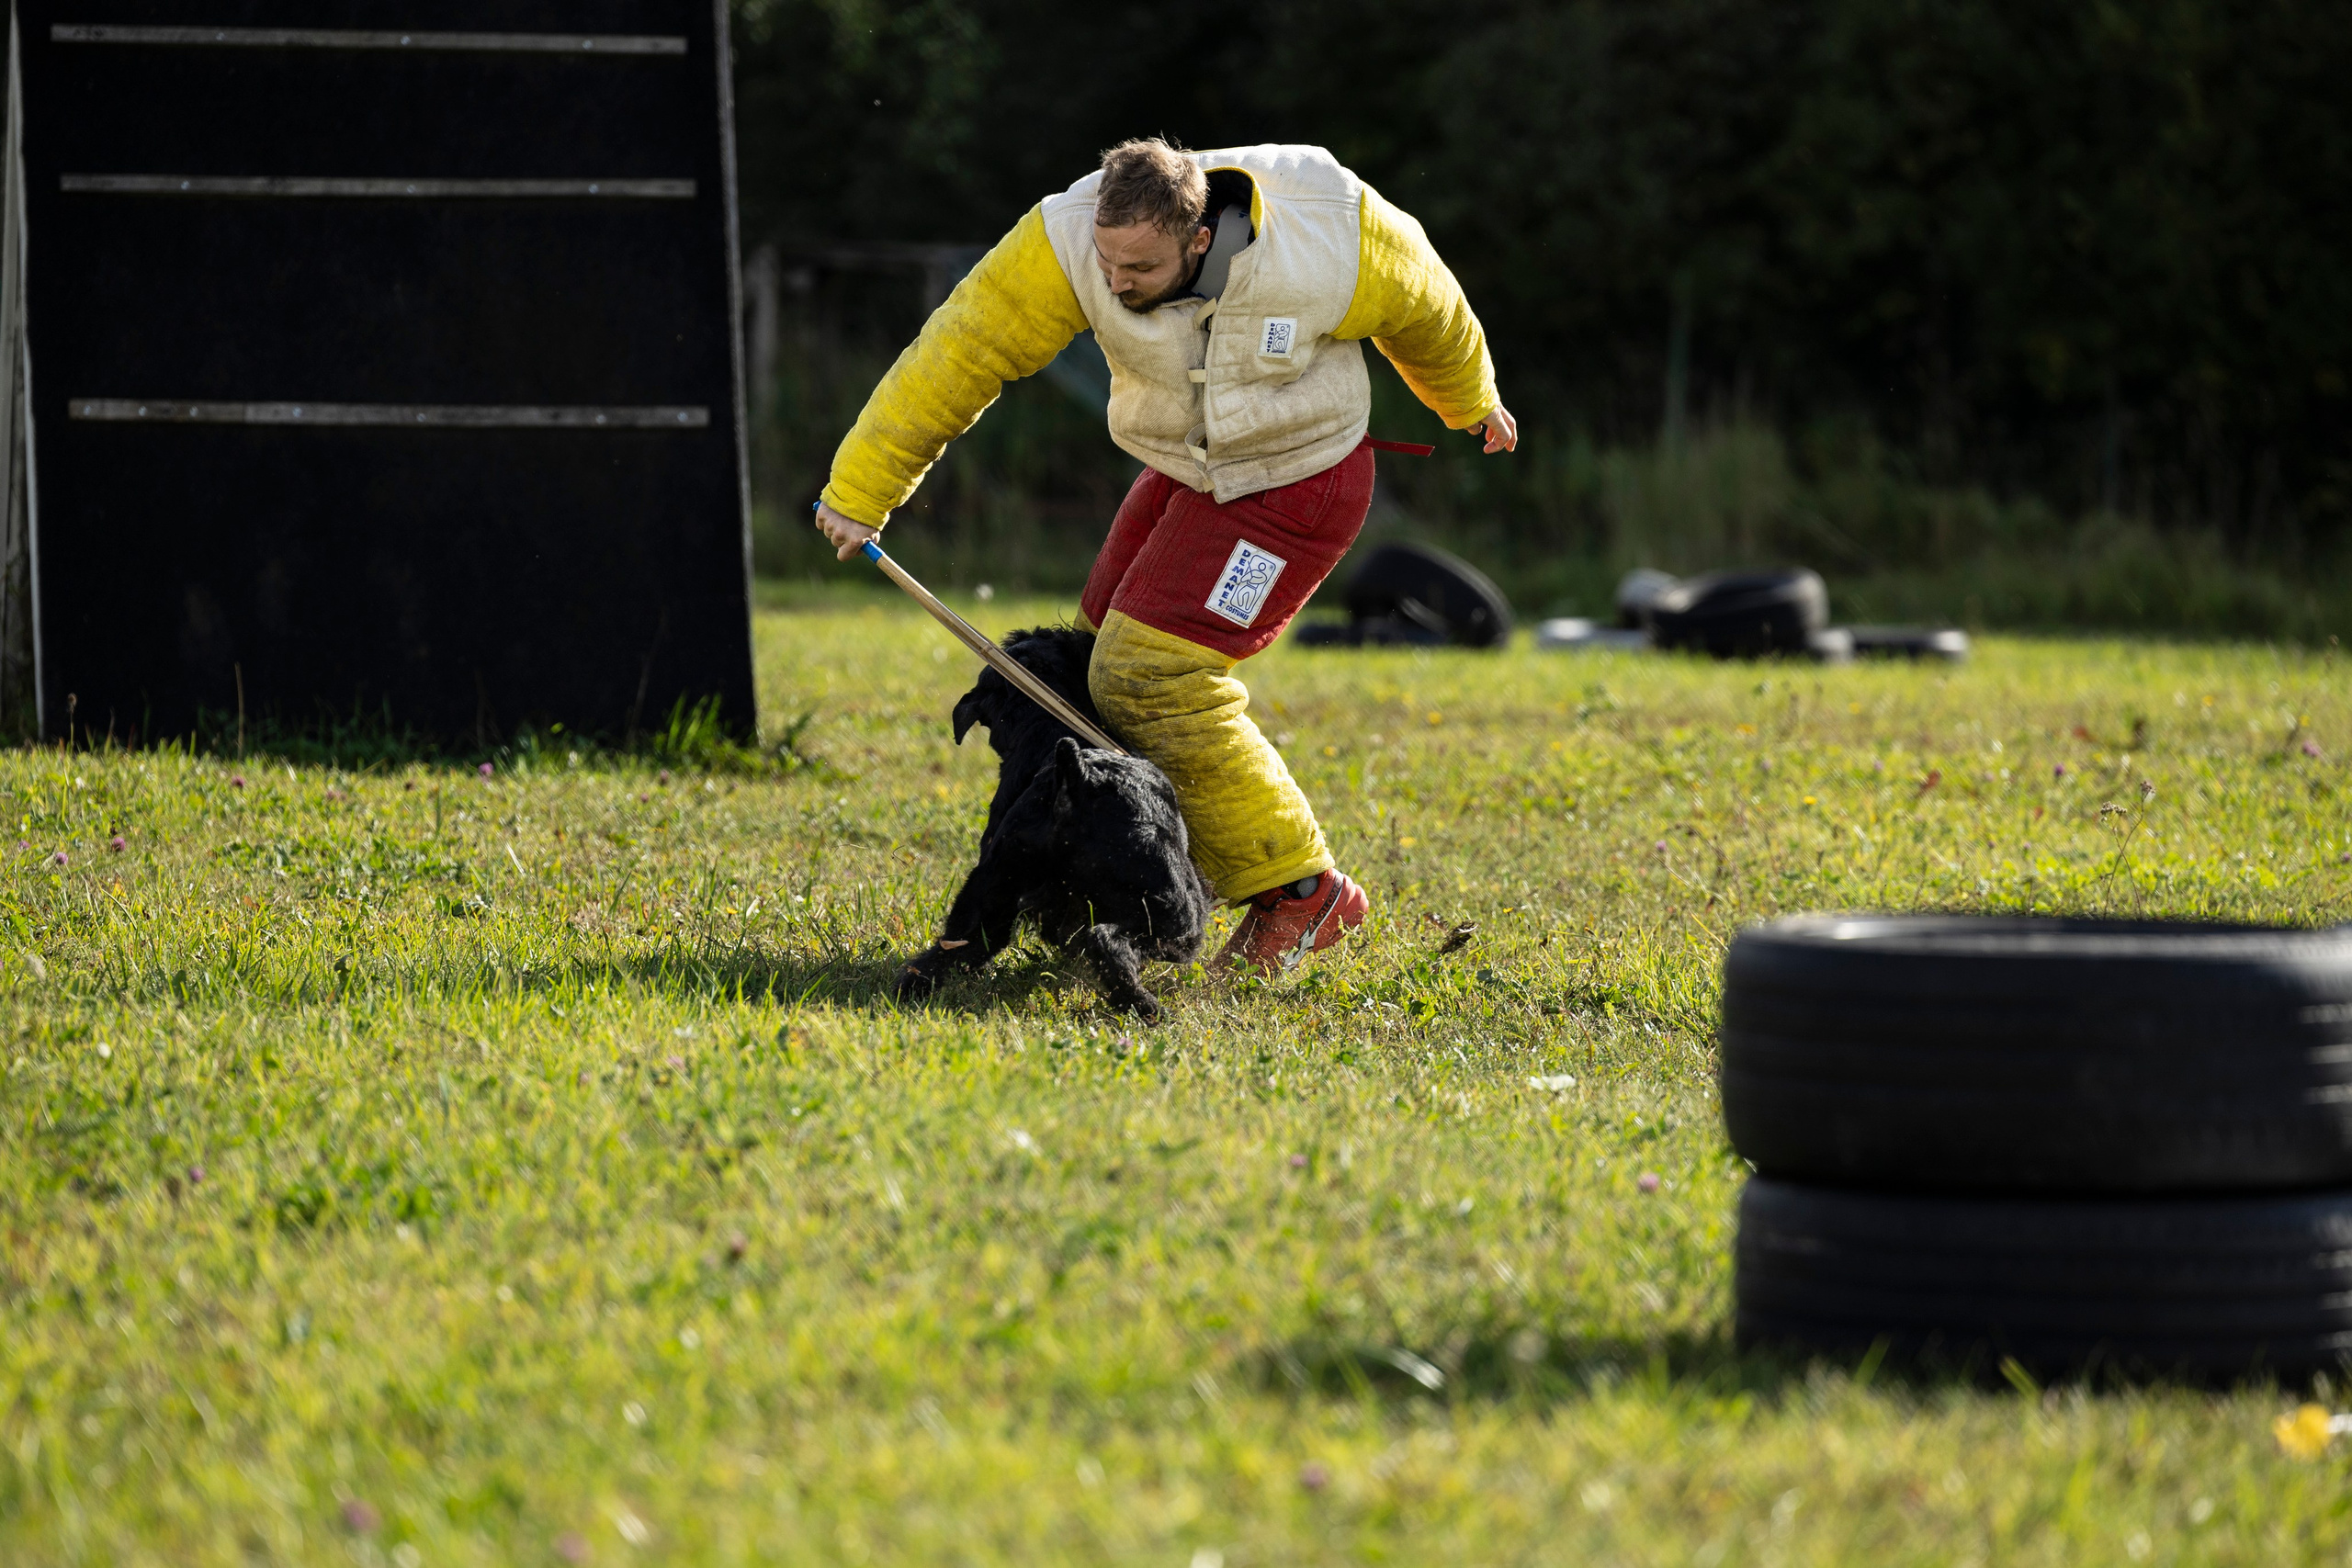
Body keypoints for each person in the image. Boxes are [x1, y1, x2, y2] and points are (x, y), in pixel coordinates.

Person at [813, 138, 1514, 973]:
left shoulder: (1328, 228)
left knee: (1150, 674)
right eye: (1105, 262)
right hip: (1188, 467)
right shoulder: (1068, 238)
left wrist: (1469, 400)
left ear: (1200, 239)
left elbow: (1427, 301)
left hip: (1302, 479)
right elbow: (959, 352)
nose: (1113, 283)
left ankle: (1303, 890)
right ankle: (1127, 885)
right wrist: (862, 488)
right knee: (1094, 651)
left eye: (1138, 268)